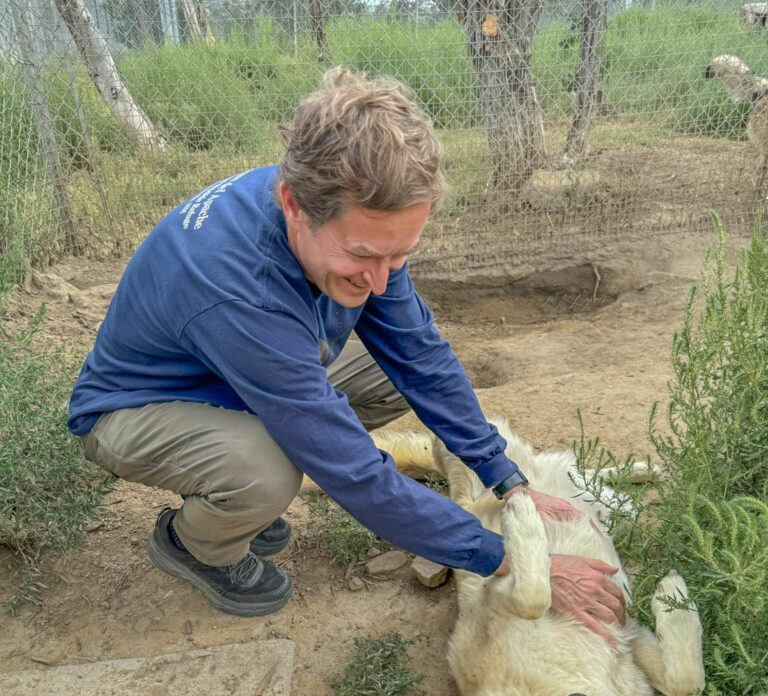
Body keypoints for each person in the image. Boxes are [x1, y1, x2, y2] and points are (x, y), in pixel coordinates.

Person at [68, 67, 624, 640]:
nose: (381, 283)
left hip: (233, 375)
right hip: (134, 409)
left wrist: (504, 476)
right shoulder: (238, 287)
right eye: (364, 254)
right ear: (293, 205)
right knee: (270, 471)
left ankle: (225, 487)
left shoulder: (341, 214)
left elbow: (420, 355)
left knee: (384, 378)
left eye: (399, 256)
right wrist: (514, 562)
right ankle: (193, 543)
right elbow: (352, 472)